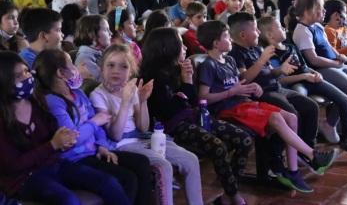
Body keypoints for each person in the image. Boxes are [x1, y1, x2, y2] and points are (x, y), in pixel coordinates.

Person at [197, 21, 336, 194]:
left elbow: (239, 83)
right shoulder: (208, 65)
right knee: (276, 118)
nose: (230, 39)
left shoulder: (229, 60)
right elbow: (203, 97)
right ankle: (312, 155)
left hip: (243, 103)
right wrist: (234, 91)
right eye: (226, 36)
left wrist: (251, 88)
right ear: (216, 43)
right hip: (228, 110)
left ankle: (293, 171)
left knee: (291, 117)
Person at [0, 51, 132, 205]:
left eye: (25, 71)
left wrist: (64, 140)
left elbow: (58, 138)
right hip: (23, 179)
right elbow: (12, 165)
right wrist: (53, 145)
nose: (26, 77)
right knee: (69, 200)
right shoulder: (3, 119)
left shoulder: (37, 103)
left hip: (53, 165)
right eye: (18, 76)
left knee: (109, 183)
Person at [140, 27, 252, 205]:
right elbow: (168, 112)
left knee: (243, 139)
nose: (185, 48)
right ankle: (234, 196)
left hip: (192, 116)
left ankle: (227, 194)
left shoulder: (178, 69)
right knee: (218, 147)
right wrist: (184, 87)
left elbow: (191, 101)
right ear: (168, 48)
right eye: (180, 44)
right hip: (172, 127)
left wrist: (187, 82)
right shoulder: (151, 78)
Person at [34, 49, 153, 205]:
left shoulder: (78, 94)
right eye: (72, 64)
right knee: (125, 179)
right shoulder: (53, 101)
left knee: (142, 163)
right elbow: (72, 139)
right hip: (72, 160)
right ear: (61, 73)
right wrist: (94, 122)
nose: (78, 67)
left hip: (94, 152)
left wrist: (102, 146)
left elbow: (99, 127)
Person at [90, 44, 203, 205]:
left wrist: (142, 101)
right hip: (121, 144)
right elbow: (115, 135)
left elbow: (142, 127)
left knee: (190, 159)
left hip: (142, 139)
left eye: (123, 66)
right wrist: (125, 102)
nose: (116, 70)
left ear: (131, 71)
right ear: (102, 68)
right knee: (163, 167)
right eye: (111, 65)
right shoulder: (98, 95)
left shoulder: (131, 89)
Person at [258, 15, 347, 157]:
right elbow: (281, 80)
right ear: (269, 35)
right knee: (303, 104)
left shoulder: (290, 46)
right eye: (279, 27)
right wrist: (304, 76)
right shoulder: (270, 54)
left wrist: (314, 73)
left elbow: (304, 66)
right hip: (295, 83)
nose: (283, 28)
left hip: (309, 79)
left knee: (344, 99)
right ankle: (306, 146)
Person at [227, 12, 320, 153]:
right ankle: (278, 155)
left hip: (277, 88)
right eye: (255, 29)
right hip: (263, 93)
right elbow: (244, 79)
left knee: (311, 107)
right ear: (243, 35)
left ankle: (308, 148)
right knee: (292, 114)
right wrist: (261, 61)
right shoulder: (235, 53)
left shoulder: (256, 48)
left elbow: (270, 72)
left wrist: (281, 69)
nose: (258, 32)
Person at [291, 0, 347, 122]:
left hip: (333, 64)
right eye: (319, 8)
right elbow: (314, 60)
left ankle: (341, 117)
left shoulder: (317, 25)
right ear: (307, 12)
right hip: (320, 69)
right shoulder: (302, 31)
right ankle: (331, 123)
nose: (324, 11)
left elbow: (328, 46)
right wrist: (335, 63)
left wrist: (338, 55)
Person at [74, 15, 112, 83]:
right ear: (92, 34)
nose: (111, 33)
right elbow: (106, 84)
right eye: (106, 30)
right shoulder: (85, 59)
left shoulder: (100, 53)